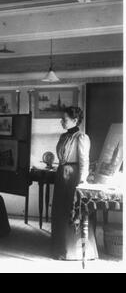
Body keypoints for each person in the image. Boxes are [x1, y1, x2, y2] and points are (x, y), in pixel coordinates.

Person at [52, 106, 98, 260]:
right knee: (60, 210)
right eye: (62, 119)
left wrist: (82, 181)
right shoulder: (63, 136)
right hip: (62, 175)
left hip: (73, 177)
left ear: (75, 120)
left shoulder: (81, 137)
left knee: (72, 210)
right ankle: (59, 246)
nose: (61, 122)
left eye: (64, 120)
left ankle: (71, 251)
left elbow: (85, 161)